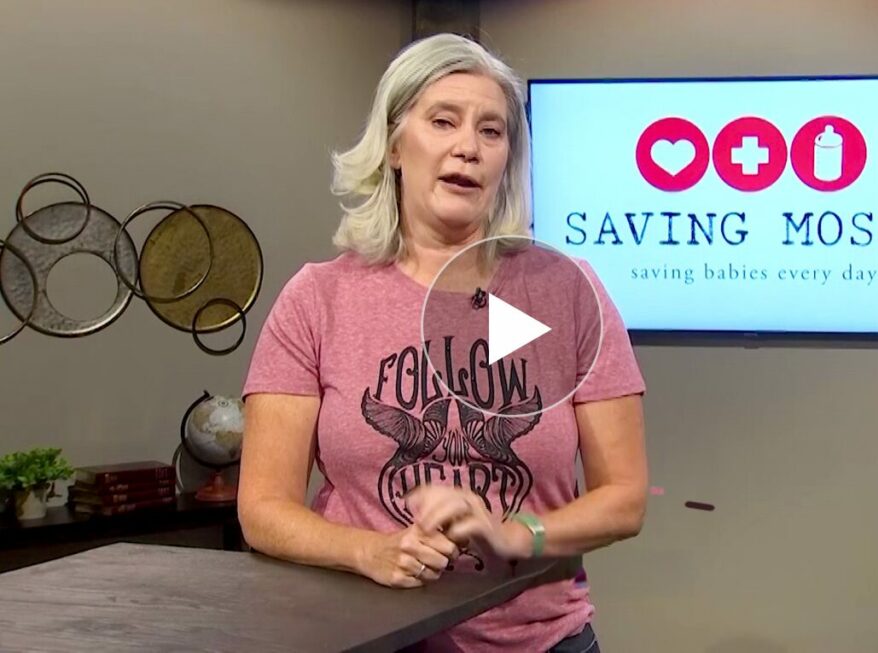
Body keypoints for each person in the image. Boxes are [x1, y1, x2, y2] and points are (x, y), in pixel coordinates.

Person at [238, 33, 648, 652]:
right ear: (394, 144)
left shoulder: (568, 291)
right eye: (443, 121)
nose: (468, 147)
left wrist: (518, 535)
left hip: (540, 641)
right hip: (367, 636)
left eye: (491, 131)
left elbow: (624, 498)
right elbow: (263, 508)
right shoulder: (317, 298)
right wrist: (369, 550)